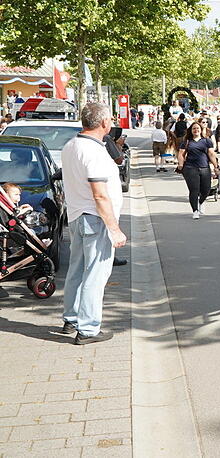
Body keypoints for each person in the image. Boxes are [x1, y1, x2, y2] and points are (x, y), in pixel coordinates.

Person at [60, 102, 127, 345]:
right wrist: (115, 229)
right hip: (94, 218)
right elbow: (100, 194)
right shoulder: (94, 151)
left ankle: (72, 317)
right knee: (95, 274)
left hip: (78, 216)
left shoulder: (71, 146)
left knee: (77, 269)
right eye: (110, 119)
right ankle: (88, 328)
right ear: (104, 123)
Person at [177, 121, 218, 220]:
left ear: (201, 130)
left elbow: (211, 154)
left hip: (204, 167)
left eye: (198, 128)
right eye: (194, 129)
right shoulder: (187, 141)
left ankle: (201, 202)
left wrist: (216, 166)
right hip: (190, 168)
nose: (196, 130)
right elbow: (181, 154)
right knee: (194, 190)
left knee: (206, 189)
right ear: (191, 131)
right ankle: (195, 210)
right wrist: (180, 164)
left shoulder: (207, 141)